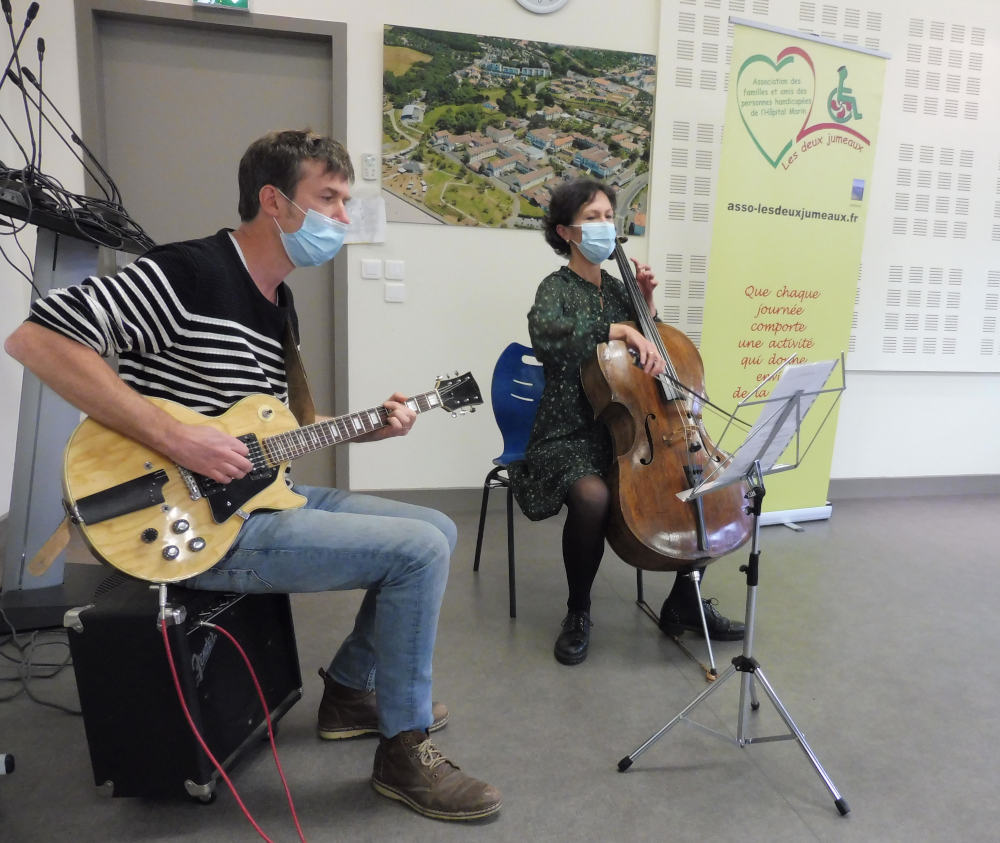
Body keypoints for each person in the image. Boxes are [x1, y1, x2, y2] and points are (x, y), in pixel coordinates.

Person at [4, 129, 501, 822]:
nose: (340, 218)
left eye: (345, 202)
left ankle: (351, 690)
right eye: (328, 199)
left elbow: (277, 431)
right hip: (202, 522)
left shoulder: (278, 304)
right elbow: (38, 338)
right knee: (415, 553)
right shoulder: (190, 270)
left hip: (264, 495)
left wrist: (371, 424)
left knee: (438, 526)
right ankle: (401, 747)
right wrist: (178, 436)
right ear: (274, 201)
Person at [509, 177, 744, 666]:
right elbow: (547, 339)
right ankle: (578, 611)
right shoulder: (555, 289)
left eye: (607, 216)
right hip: (570, 431)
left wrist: (645, 308)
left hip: (631, 430)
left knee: (695, 485)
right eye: (592, 218)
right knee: (592, 495)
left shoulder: (620, 291)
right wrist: (616, 327)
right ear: (567, 232)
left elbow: (648, 363)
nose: (604, 225)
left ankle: (685, 598)